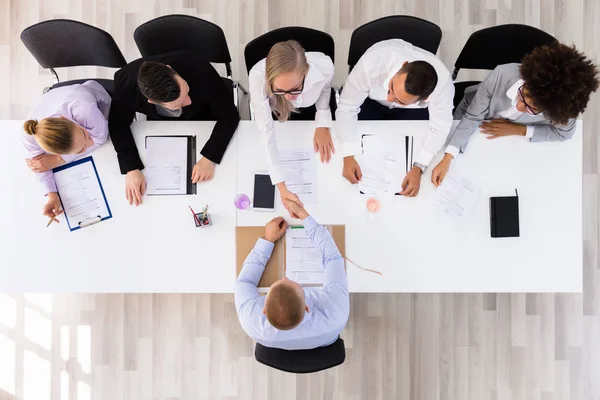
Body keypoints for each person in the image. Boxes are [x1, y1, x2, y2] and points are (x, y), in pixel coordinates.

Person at [431, 42, 600, 186]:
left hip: (507, 146)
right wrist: (448, 157)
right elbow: (472, 116)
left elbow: (565, 133)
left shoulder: (558, 109)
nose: (519, 106)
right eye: (523, 94)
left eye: (531, 107)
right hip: (473, 113)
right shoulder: (502, 75)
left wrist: (519, 130)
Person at [108, 50, 240, 206]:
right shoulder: (124, 84)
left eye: (186, 92)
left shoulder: (199, 67)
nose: (189, 101)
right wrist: (131, 168)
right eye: (180, 103)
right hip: (160, 125)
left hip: (204, 114)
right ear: (152, 101)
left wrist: (209, 158)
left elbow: (229, 116)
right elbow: (117, 124)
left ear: (171, 69)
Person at [336, 39, 454, 197]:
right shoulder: (372, 64)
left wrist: (419, 167)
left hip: (410, 113)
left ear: (425, 99)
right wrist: (348, 154)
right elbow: (347, 107)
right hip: (371, 102)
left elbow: (440, 128)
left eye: (399, 99)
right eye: (391, 87)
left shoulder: (443, 88)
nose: (390, 98)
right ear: (402, 65)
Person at [234, 199, 349, 350]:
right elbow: (332, 258)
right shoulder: (336, 314)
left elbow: (244, 282)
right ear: (307, 307)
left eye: (281, 281)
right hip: (324, 338)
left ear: (263, 310)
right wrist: (303, 214)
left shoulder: (250, 320)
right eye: (291, 282)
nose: (285, 277)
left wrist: (268, 240)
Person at [249, 40, 335, 205]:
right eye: (280, 90)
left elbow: (325, 88)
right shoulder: (258, 77)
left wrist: (322, 122)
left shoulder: (325, 66)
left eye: (295, 88)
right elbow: (265, 130)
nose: (288, 96)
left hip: (309, 109)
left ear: (306, 72)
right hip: (277, 114)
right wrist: (282, 188)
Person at [22, 81, 111, 223]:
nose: (90, 143)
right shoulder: (31, 136)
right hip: (55, 100)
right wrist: (52, 195)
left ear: (65, 119)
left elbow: (100, 138)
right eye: (81, 149)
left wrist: (58, 160)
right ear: (52, 150)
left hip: (95, 98)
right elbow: (38, 165)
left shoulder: (84, 110)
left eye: (84, 133)